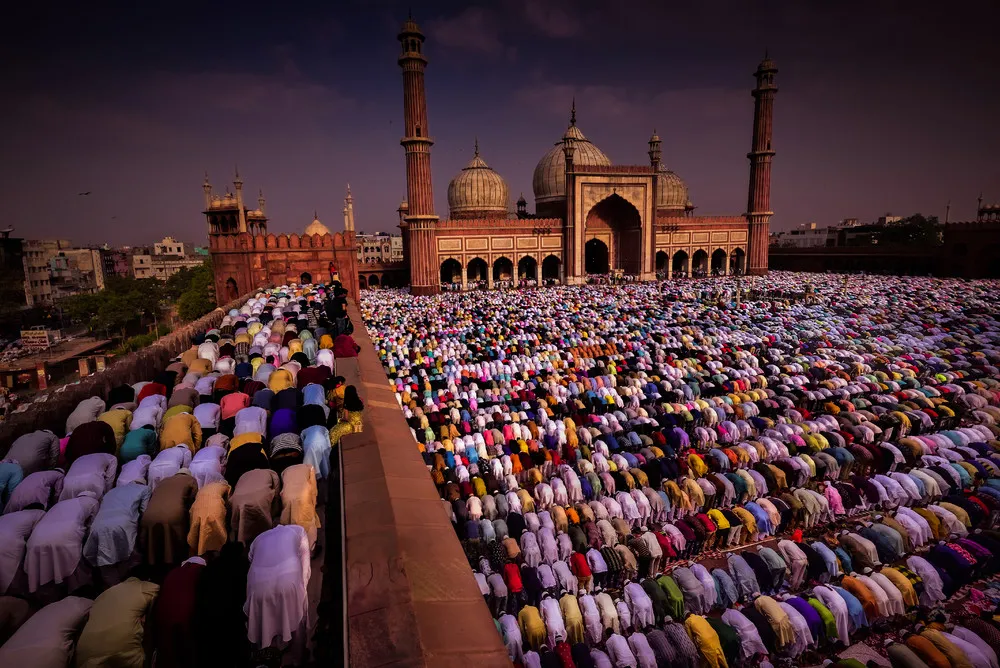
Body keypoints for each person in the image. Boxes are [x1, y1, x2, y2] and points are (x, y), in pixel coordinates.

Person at [74, 577, 159, 667]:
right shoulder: (143, 587)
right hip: (122, 645)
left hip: (85, 651)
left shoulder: (102, 595)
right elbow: (163, 590)